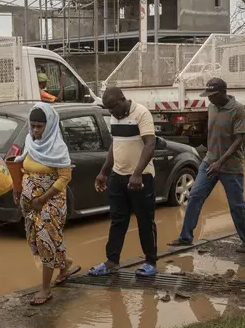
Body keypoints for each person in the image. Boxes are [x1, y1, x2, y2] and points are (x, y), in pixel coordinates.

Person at [168, 78, 245, 253]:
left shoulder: (237, 109)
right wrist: (212, 159)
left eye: (213, 96)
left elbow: (239, 140)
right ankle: (185, 237)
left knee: (236, 204)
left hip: (230, 166)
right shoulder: (211, 107)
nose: (209, 99)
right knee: (194, 196)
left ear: (223, 92)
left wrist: (221, 162)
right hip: (209, 162)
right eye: (208, 96)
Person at [13, 103, 81, 306]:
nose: (34, 131)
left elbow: (64, 178)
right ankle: (65, 264)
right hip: (31, 203)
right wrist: (18, 189)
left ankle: (45, 289)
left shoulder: (58, 147)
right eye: (32, 126)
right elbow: (23, 165)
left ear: (49, 125)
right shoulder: (30, 141)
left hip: (50, 202)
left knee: (46, 240)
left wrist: (42, 199)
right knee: (40, 238)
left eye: (39, 127)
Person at [89, 87, 158, 277]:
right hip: (117, 176)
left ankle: (150, 262)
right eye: (108, 109)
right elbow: (115, 144)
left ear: (122, 99)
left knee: (145, 221)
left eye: (112, 107)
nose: (111, 111)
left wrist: (137, 173)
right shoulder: (114, 117)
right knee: (118, 220)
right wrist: (104, 172)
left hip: (141, 178)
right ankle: (112, 261)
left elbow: (150, 144)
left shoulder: (142, 113)